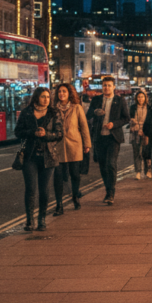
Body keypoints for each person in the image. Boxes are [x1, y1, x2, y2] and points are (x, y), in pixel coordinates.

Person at [15, 88, 64, 231]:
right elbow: (18, 132)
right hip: (30, 156)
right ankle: (30, 220)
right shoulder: (26, 112)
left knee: (44, 189)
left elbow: (59, 134)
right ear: (36, 98)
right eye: (43, 97)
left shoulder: (54, 113)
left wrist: (46, 134)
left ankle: (42, 219)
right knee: (30, 189)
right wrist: (32, 132)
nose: (46, 99)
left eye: (48, 97)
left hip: (48, 156)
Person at [86, 76, 130, 205]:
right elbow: (88, 115)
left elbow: (126, 118)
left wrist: (113, 124)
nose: (106, 88)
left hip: (113, 137)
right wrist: (95, 112)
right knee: (102, 166)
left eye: (109, 85)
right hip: (99, 137)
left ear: (114, 87)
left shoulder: (119, 100)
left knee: (111, 163)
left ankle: (111, 192)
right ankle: (107, 189)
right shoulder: (96, 100)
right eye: (104, 85)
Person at [53, 84, 90, 213]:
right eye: (59, 92)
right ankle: (59, 205)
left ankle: (75, 197)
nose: (61, 94)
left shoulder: (77, 108)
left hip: (74, 144)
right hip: (57, 147)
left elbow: (84, 126)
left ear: (69, 93)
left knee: (75, 174)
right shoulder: (53, 109)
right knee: (58, 176)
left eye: (64, 91)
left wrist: (87, 144)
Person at [129, 90, 151, 181]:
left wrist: (145, 130)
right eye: (139, 97)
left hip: (146, 132)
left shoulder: (149, 108)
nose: (140, 99)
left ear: (145, 98)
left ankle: (148, 171)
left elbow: (150, 121)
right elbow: (129, 118)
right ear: (136, 98)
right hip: (135, 132)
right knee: (137, 152)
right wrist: (132, 121)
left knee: (147, 153)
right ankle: (138, 172)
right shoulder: (133, 107)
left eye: (142, 97)